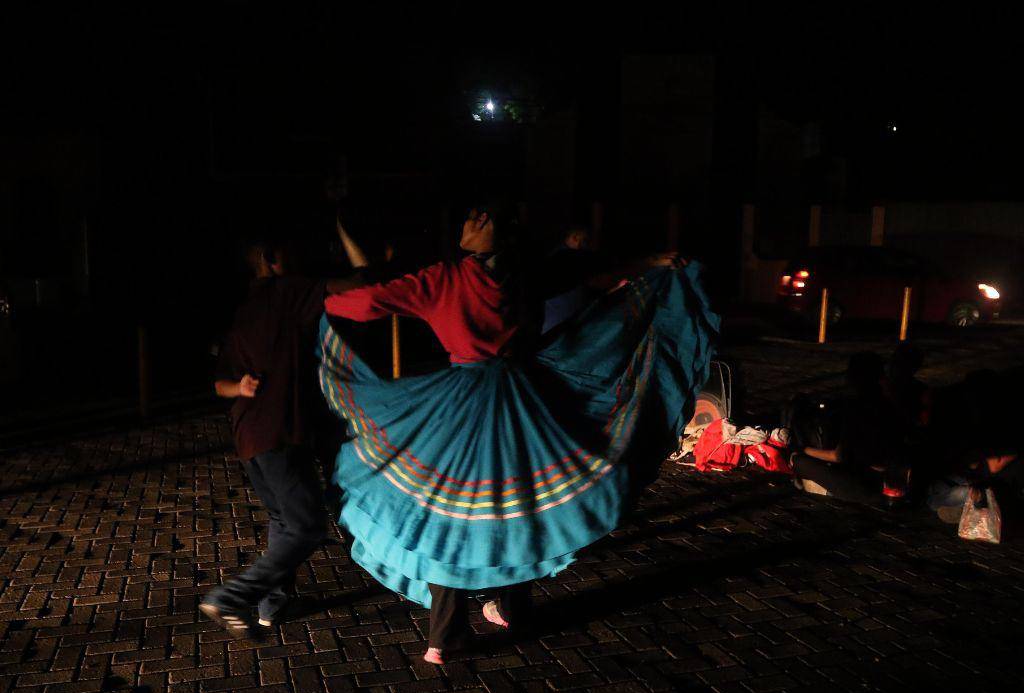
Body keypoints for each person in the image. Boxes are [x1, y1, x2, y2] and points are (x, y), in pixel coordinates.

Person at [318, 199, 719, 663]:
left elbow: (591, 278)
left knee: (504, 505)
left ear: (503, 232)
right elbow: (365, 300)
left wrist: (649, 263)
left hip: (512, 401)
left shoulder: (498, 275)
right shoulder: (452, 276)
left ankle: (489, 614)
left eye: (485, 216)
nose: (475, 219)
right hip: (489, 402)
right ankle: (460, 627)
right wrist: (311, 297)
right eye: (471, 215)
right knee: (472, 509)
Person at [199, 241, 364, 637]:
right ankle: (231, 597)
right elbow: (356, 284)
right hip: (279, 433)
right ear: (270, 260)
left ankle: (271, 606)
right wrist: (351, 240)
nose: (297, 260)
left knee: (282, 519)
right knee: (306, 527)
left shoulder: (241, 313)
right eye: (287, 254)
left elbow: (218, 383)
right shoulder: (286, 291)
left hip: (249, 437)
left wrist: (239, 386)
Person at [791, 352, 903, 504]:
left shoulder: (857, 407)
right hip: (885, 478)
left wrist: (802, 450)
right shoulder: (888, 404)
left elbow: (839, 456)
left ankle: (825, 491)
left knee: (798, 461)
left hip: (864, 484)